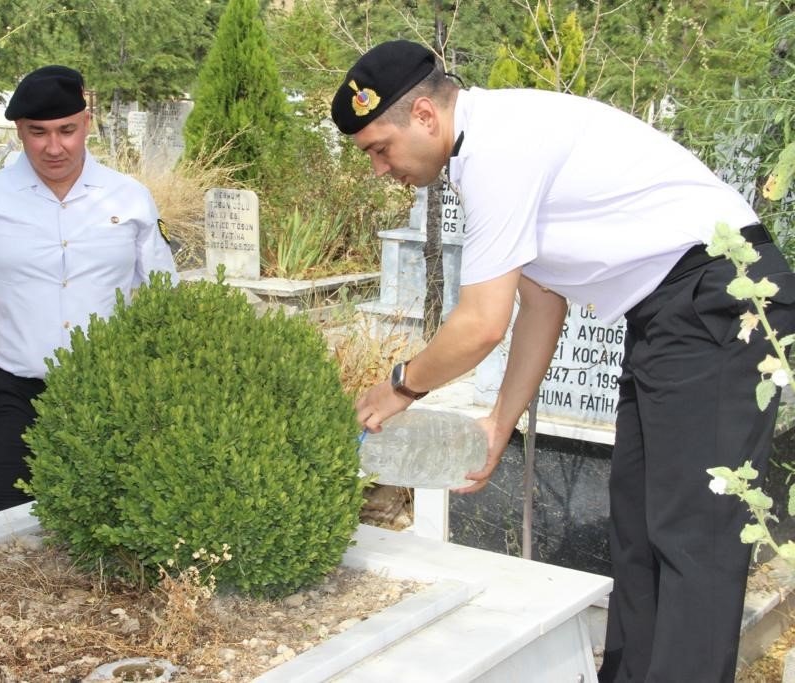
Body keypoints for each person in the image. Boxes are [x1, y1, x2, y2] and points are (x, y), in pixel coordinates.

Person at [331, 40, 795, 682]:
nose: (381, 169)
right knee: (638, 525)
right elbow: (540, 303)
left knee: (694, 535)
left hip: (721, 298)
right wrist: (500, 423)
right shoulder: (480, 149)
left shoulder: (498, 148)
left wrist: (399, 387)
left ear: (425, 116)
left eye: (380, 149)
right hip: (668, 312)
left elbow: (481, 325)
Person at [0, 65, 178, 514]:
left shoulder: (130, 198)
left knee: (109, 520)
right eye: (37, 132)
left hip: (109, 389)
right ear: (19, 131)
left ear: (87, 122)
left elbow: (164, 301)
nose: (53, 147)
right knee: (8, 523)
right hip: (14, 390)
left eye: (66, 130)